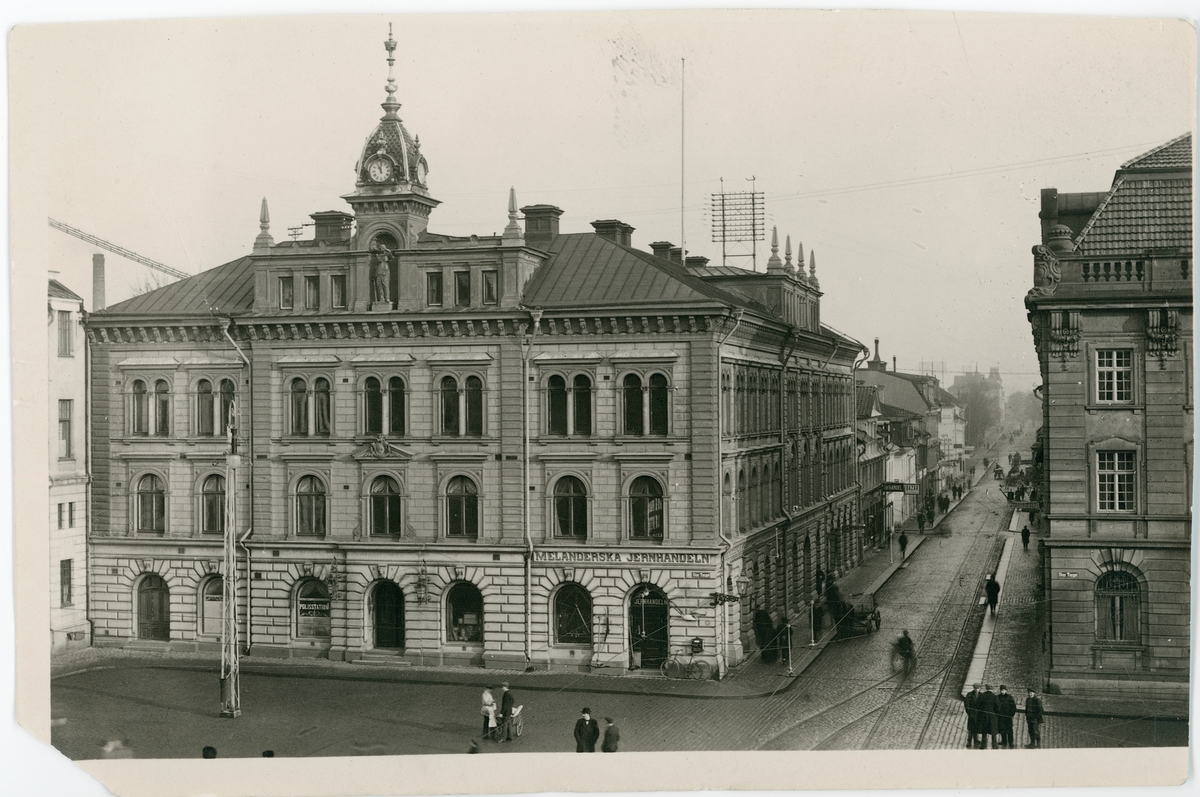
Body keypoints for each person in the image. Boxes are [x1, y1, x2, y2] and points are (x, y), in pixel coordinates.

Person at [977, 684, 999, 749]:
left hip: (983, 716)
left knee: (984, 731)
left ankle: (983, 745)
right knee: (993, 732)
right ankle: (994, 745)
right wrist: (995, 714)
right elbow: (997, 707)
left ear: (986, 688)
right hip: (992, 716)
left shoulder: (982, 696)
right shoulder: (994, 697)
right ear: (992, 689)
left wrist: (981, 713)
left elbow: (978, 706)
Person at [963, 684, 981, 748]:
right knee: (970, 728)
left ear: (979, 688)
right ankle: (969, 741)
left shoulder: (981, 695)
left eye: (977, 688)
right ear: (974, 688)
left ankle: (976, 740)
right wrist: (969, 713)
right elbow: (966, 704)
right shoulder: (969, 694)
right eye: (975, 688)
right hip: (972, 714)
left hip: (978, 714)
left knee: (977, 727)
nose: (976, 690)